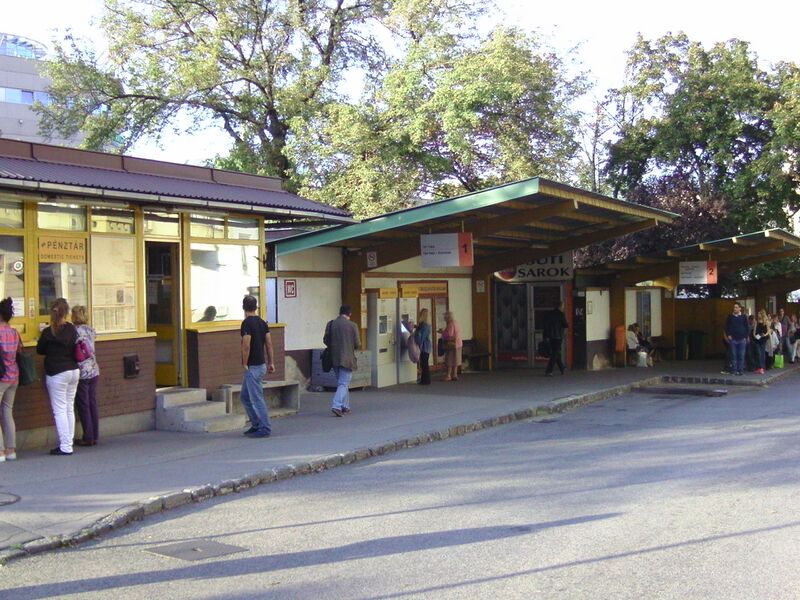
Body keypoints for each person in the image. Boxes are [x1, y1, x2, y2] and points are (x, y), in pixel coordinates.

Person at [36, 298, 79, 456]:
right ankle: (69, 441)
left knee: (59, 410)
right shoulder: (71, 329)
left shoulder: (48, 332)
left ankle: (66, 446)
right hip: (73, 371)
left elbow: (40, 350)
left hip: (57, 373)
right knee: (69, 407)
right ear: (66, 312)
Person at [239, 295, 274, 438]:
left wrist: (244, 363)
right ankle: (256, 424)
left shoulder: (246, 324)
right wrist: (271, 362)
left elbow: (246, 345)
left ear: (243, 307)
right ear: (256, 307)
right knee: (245, 397)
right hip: (262, 365)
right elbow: (269, 344)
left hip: (252, 366)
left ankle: (264, 427)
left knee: (256, 398)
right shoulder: (262, 322)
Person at [71, 305, 100, 447]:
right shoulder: (91, 330)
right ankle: (95, 434)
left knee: (83, 404)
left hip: (82, 371)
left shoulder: (75, 332)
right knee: (92, 402)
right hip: (94, 369)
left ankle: (88, 437)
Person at [324, 304, 360, 416]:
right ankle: (337, 405)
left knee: (342, 383)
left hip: (334, 358)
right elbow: (357, 344)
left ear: (339, 312)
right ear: (350, 314)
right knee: (344, 383)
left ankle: (345, 406)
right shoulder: (353, 325)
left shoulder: (331, 324)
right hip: (347, 359)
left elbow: (325, 340)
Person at [0, 297, 20, 462]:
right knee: (7, 412)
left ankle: (0, 452)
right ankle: (11, 450)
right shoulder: (14, 332)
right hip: (14, 376)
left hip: (0, 378)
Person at [543, 301, 568, 376]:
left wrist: (545, 336)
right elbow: (565, 325)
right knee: (555, 353)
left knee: (555, 352)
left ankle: (561, 367)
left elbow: (546, 325)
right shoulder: (561, 314)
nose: (563, 307)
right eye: (563, 306)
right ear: (560, 306)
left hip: (551, 337)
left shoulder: (550, 314)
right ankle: (549, 370)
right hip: (558, 336)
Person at [724, 301, 748, 376]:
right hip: (733, 339)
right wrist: (728, 335)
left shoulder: (744, 317)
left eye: (736, 307)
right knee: (733, 355)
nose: (735, 309)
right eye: (734, 307)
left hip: (741, 339)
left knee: (741, 355)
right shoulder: (730, 316)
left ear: (740, 309)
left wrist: (745, 336)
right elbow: (726, 326)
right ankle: (734, 370)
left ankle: (740, 371)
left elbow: (747, 327)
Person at [440, 310, 462, 382]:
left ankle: (448, 375)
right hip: (458, 343)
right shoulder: (456, 322)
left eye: (445, 317)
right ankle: (455, 375)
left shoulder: (450, 324)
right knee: (455, 360)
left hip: (451, 344)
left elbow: (450, 334)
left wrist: (442, 332)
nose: (444, 319)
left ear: (447, 318)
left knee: (449, 359)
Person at [414, 308, 432, 385]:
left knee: (424, 364)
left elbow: (421, 338)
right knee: (425, 364)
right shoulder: (426, 325)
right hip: (427, 347)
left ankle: (425, 380)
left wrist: (416, 331)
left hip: (424, 347)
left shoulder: (424, 326)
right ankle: (425, 379)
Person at [752, 309, 769, 375]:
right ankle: (759, 367)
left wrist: (765, 334)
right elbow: (754, 331)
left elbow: (768, 331)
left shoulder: (766, 322)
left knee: (762, 354)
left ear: (762, 314)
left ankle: (762, 367)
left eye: (759, 314)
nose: (758, 315)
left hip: (763, 339)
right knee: (758, 353)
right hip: (757, 339)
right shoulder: (757, 322)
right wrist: (754, 336)